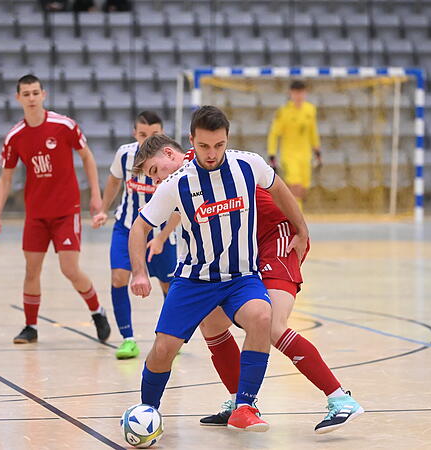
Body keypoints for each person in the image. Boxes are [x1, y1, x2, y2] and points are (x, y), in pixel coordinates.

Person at [134, 136, 364, 435]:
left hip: (276, 234)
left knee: (272, 326)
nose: (157, 180)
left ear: (170, 153)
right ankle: (238, 403)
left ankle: (340, 399)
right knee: (212, 324)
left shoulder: (202, 158)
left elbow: (276, 186)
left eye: (155, 171)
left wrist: (302, 228)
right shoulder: (185, 177)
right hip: (247, 246)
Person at [128, 106, 309, 432]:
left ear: (226, 140)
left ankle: (245, 406)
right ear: (191, 143)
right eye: (204, 146)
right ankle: (147, 412)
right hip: (195, 279)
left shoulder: (248, 164)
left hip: (241, 277)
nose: (212, 154)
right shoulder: (174, 183)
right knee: (164, 349)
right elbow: (139, 228)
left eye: (219, 145)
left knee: (262, 317)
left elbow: (279, 187)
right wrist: (140, 271)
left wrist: (301, 228)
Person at [0, 74, 111, 345]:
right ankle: (30, 326)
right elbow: (5, 178)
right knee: (32, 270)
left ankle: (97, 311)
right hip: (36, 213)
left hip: (67, 210)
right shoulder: (15, 137)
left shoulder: (63, 126)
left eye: (35, 93)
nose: (31, 98)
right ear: (18, 98)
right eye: (26, 94)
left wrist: (95, 195)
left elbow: (87, 157)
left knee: (69, 268)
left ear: (44, 94)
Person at [92, 111, 178, 360]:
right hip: (128, 225)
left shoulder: (170, 162)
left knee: (168, 284)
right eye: (142, 134)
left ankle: (171, 336)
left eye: (154, 134)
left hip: (162, 232)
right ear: (134, 134)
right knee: (119, 278)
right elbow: (113, 183)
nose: (147, 139)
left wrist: (162, 237)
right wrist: (103, 210)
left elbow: (179, 207)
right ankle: (128, 338)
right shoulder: (125, 154)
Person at [267, 80, 322, 209]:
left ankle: (296, 217)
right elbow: (274, 134)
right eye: (296, 93)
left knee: (303, 190)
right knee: (294, 187)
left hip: (305, 155)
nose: (299, 96)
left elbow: (313, 132)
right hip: (289, 155)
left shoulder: (310, 109)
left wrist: (318, 151)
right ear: (291, 93)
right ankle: (296, 220)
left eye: (301, 93)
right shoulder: (283, 112)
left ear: (305, 93)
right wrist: (272, 154)